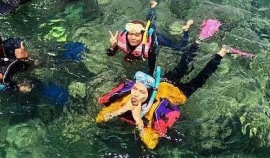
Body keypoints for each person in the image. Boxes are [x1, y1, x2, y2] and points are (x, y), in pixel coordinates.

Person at [97, 43, 245, 149]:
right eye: (135, 89)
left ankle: (221, 52)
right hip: (163, 81)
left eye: (141, 92)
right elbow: (100, 118)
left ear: (149, 93)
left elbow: (150, 143)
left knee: (200, 77)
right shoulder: (126, 98)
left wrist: (139, 122)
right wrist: (120, 110)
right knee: (181, 67)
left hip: (179, 93)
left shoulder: (153, 111)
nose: (135, 94)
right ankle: (200, 44)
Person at [106, 1, 193, 75]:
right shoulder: (121, 40)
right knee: (149, 22)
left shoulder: (150, 48)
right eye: (130, 34)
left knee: (180, 49)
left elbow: (151, 66)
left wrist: (150, 75)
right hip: (145, 35)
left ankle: (186, 29)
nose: (132, 37)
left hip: (156, 37)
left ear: (143, 35)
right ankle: (152, 7)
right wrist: (112, 46)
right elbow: (110, 54)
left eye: (137, 35)